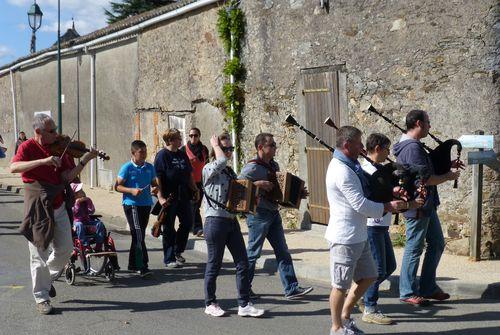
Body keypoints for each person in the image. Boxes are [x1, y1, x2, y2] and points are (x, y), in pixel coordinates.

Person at [10, 113, 98, 315]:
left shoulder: (61, 149)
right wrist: (43, 161)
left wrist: (84, 160)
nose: (57, 134)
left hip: (59, 205)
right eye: (52, 131)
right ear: (38, 132)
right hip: (38, 207)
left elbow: (67, 176)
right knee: (38, 254)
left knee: (66, 249)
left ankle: (46, 280)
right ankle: (41, 298)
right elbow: (14, 167)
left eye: (56, 129)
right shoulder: (27, 147)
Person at [325, 126, 410, 335]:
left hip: (358, 234)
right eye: (358, 143)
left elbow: (370, 189)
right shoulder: (342, 170)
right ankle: (336, 328)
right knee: (340, 285)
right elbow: (360, 204)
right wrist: (387, 207)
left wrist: (390, 191)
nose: (363, 147)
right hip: (344, 237)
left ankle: (345, 317)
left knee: (370, 275)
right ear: (347, 145)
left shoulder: (352, 165)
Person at [393, 109, 461, 306]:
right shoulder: (412, 148)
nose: (430, 126)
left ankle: (428, 287)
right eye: (428, 122)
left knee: (437, 243)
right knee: (414, 248)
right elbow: (425, 179)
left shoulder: (413, 146)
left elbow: (423, 170)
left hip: (427, 204)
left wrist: (448, 165)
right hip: (418, 205)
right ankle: (407, 291)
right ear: (418, 124)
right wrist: (448, 177)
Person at [238, 133, 313, 300]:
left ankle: (291, 288)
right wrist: (257, 185)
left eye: (275, 144)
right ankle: (244, 289)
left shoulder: (274, 165)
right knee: (253, 253)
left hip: (273, 213)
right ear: (260, 148)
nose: (275, 147)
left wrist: (297, 194)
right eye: (271, 145)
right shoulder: (251, 168)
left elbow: (279, 192)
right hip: (258, 215)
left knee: (283, 251)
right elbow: (237, 188)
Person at [360, 133, 424, 325]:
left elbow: (385, 190)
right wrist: (409, 204)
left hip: (382, 224)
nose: (389, 153)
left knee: (389, 267)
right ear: (378, 149)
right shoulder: (368, 170)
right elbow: (374, 195)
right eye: (387, 149)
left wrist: (397, 190)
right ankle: (369, 307)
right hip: (373, 225)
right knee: (379, 269)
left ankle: (359, 292)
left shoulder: (378, 169)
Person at [202, 133, 265, 318]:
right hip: (215, 221)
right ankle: (210, 303)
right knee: (215, 264)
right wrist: (215, 144)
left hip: (231, 220)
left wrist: (255, 191)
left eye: (231, 148)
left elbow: (238, 194)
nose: (229, 152)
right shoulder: (209, 169)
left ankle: (244, 304)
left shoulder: (229, 171)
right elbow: (220, 159)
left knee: (242, 262)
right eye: (226, 148)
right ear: (216, 149)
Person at [155, 129, 199, 268]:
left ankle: (177, 250)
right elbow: (158, 178)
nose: (181, 140)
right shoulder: (162, 155)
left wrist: (195, 189)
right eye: (178, 138)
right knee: (168, 227)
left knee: (187, 223)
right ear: (170, 140)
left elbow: (189, 174)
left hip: (184, 195)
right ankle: (169, 259)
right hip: (169, 196)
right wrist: (160, 196)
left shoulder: (182, 154)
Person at [115, 140, 157, 277]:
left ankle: (132, 264)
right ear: (133, 153)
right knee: (138, 234)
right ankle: (142, 265)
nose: (144, 154)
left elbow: (154, 182)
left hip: (146, 204)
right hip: (131, 204)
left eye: (145, 151)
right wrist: (131, 190)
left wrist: (156, 188)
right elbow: (116, 186)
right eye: (141, 152)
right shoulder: (126, 167)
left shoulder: (149, 167)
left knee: (139, 235)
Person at [180, 127, 209, 237]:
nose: (193, 137)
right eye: (191, 135)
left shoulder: (204, 149)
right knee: (192, 205)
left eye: (195, 135)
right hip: (187, 182)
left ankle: (192, 226)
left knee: (195, 205)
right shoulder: (183, 150)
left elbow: (206, 164)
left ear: (199, 136)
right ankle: (197, 227)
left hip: (200, 182)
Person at [71, 182, 106, 252]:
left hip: (87, 221)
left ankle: (99, 244)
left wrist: (89, 201)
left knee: (100, 223)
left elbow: (92, 211)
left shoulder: (85, 201)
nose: (83, 192)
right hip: (76, 222)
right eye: (80, 191)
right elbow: (74, 212)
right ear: (75, 194)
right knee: (79, 224)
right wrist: (77, 203)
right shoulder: (72, 202)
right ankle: (85, 245)